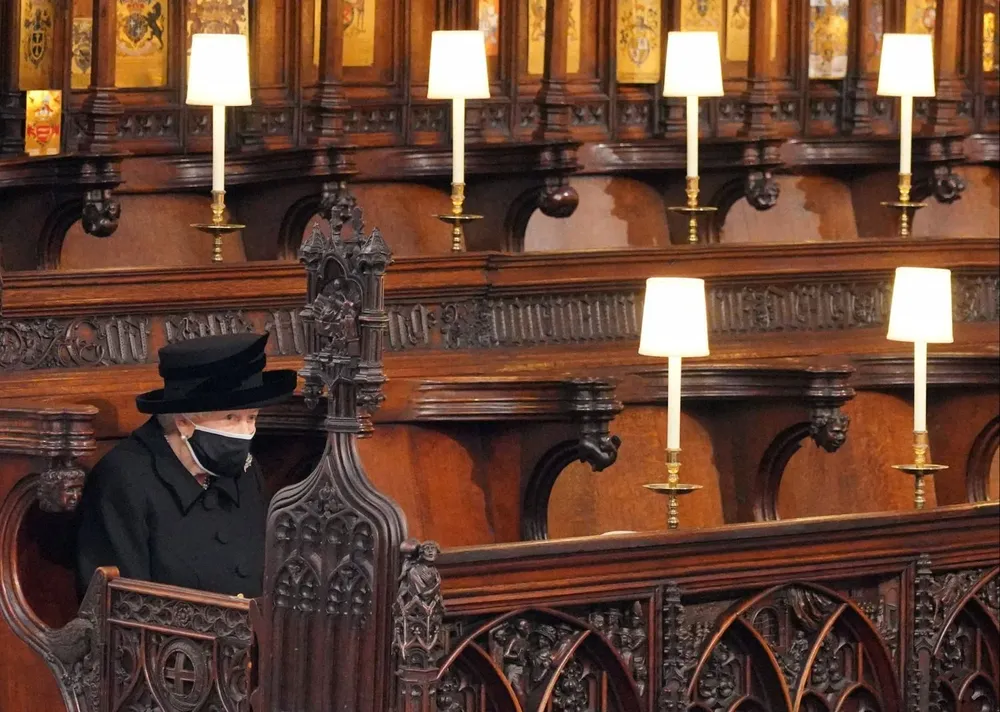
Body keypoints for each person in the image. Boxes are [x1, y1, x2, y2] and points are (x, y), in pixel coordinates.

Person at [75, 333, 296, 598]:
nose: (245, 432)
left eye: (252, 417)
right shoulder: (123, 479)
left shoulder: (246, 471)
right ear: (183, 422)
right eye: (230, 417)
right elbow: (118, 604)